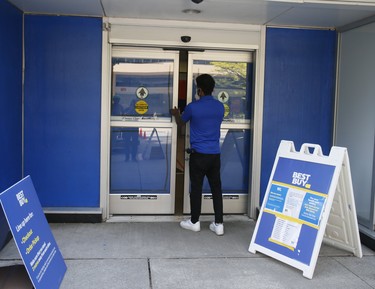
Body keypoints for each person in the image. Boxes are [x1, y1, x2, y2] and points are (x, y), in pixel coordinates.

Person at [170, 74, 225, 236]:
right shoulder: (220, 107)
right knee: (216, 188)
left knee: (196, 188)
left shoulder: (193, 107)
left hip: (198, 155)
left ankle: (194, 222)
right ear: (213, 89)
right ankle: (219, 224)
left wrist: (175, 113)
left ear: (199, 90)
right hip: (215, 155)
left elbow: (181, 123)